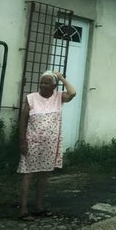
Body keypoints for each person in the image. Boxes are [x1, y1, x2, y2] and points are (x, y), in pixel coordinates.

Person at [17, 70, 76, 220]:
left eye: (47, 82)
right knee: (28, 175)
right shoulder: (31, 98)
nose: (43, 85)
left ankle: (38, 207)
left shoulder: (59, 97)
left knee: (44, 176)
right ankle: (23, 209)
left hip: (50, 144)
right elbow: (23, 120)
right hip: (32, 142)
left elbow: (73, 92)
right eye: (42, 82)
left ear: (54, 85)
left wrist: (62, 78)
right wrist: (22, 141)